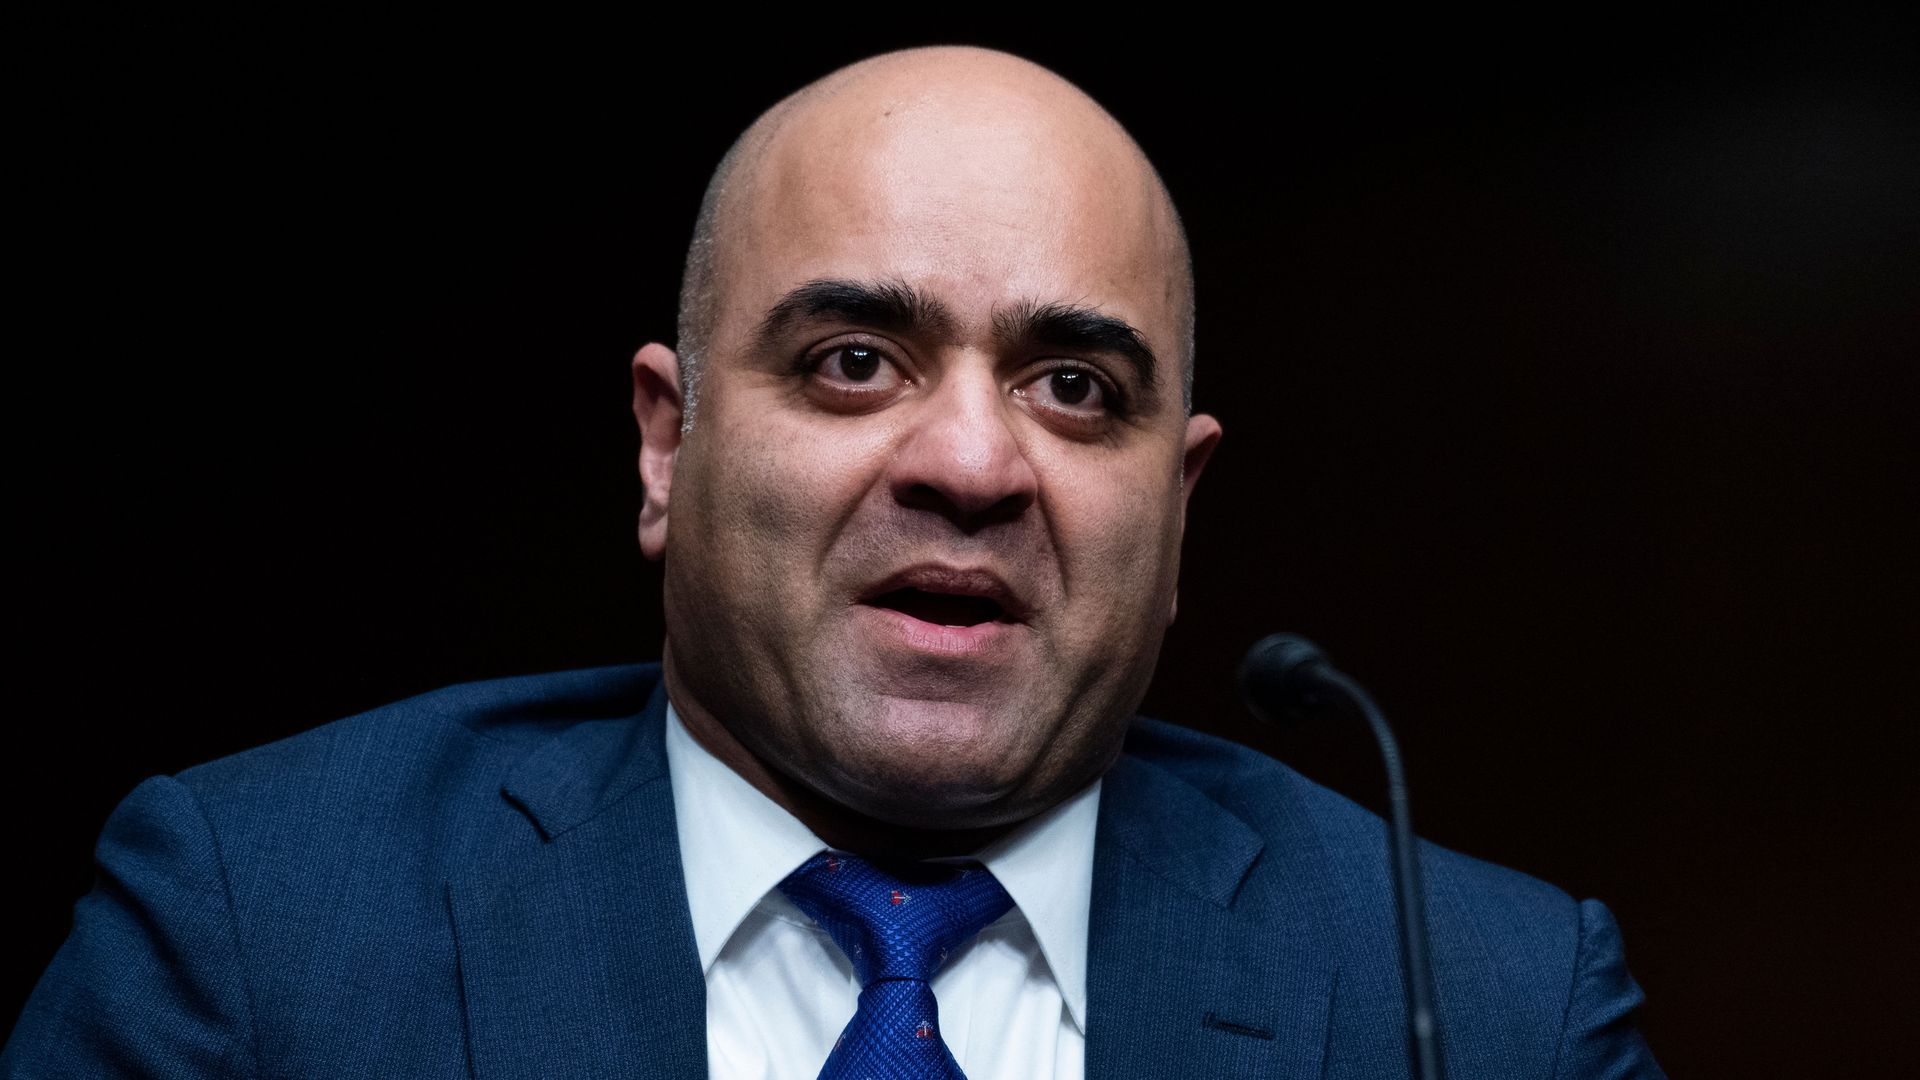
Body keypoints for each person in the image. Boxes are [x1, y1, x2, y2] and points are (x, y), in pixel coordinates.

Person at [3, 46, 1664, 1078]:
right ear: (668, 446)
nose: (970, 463)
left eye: (1075, 388)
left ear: (1179, 506)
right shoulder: (258, 930)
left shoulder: (1489, 1007)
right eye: (854, 360)